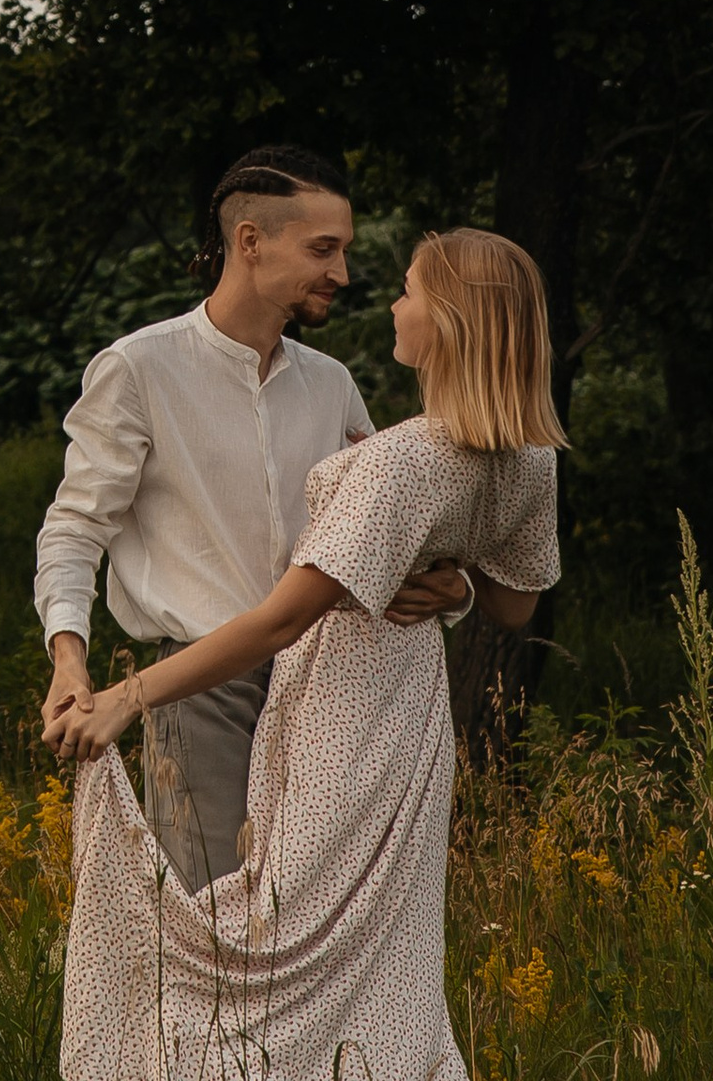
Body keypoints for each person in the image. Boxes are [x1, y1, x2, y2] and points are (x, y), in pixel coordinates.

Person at [48, 224, 565, 1081]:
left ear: (450, 321)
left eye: (410, 292)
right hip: (409, 716)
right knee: (370, 956)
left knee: (271, 947)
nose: (394, 306)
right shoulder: (528, 455)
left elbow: (280, 619)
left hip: (341, 714)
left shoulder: (408, 460)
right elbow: (515, 604)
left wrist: (125, 694)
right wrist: (450, 582)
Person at [35, 152, 471, 896]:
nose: (341, 272)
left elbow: (395, 525)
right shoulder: (140, 368)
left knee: (308, 928)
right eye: (322, 249)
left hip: (331, 692)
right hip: (202, 692)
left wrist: (454, 588)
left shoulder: (331, 384)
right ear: (249, 241)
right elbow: (75, 528)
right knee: (215, 934)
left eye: (345, 251)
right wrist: (68, 658)